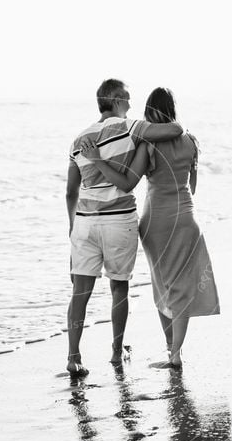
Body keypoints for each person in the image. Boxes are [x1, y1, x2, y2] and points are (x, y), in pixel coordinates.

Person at [81, 87, 220, 367]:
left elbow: (126, 182)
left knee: (163, 285)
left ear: (149, 111)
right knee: (182, 286)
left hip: (156, 222)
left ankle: (172, 350)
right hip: (186, 219)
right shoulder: (191, 141)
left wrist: (97, 160)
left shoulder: (148, 144)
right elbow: (192, 186)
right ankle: (176, 352)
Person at [66, 79, 184, 377]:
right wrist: (146, 128)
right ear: (117, 99)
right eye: (128, 99)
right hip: (119, 219)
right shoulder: (129, 126)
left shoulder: (79, 138)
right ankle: (117, 352)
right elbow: (175, 130)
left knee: (80, 292)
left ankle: (73, 356)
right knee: (119, 288)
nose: (131, 104)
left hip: (84, 223)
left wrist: (72, 227)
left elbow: (70, 191)